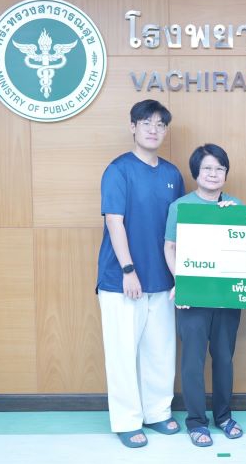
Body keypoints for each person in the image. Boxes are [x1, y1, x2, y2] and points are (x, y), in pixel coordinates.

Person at [96, 99, 185, 448]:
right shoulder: (118, 170)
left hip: (162, 279)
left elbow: (180, 227)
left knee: (160, 351)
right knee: (122, 353)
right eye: (146, 123)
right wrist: (128, 270)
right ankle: (127, 420)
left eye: (160, 125)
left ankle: (158, 412)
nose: (153, 130)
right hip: (122, 280)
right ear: (133, 127)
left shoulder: (172, 174)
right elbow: (114, 222)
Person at [163, 144, 244, 448]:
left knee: (224, 358)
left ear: (226, 173)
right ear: (196, 172)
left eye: (219, 168)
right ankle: (196, 421)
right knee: (192, 362)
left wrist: (234, 219)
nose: (213, 174)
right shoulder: (181, 206)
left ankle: (223, 417)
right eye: (207, 168)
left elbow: (245, 250)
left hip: (227, 296)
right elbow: (169, 248)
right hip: (192, 298)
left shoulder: (236, 205)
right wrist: (182, 283)